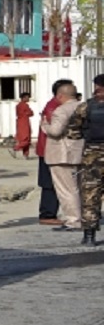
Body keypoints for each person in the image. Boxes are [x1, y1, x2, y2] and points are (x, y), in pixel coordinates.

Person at [67, 73, 104, 247]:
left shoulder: (85, 107)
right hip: (92, 155)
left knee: (90, 195)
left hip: (92, 156)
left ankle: (89, 236)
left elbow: (73, 132)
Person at [40, 81, 83, 233]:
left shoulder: (62, 110)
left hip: (61, 154)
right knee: (78, 188)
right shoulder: (83, 107)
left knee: (66, 190)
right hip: (79, 151)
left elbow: (56, 131)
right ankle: (83, 217)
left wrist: (45, 125)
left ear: (60, 95)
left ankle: (73, 220)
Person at [36, 80, 70, 225]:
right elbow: (55, 130)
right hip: (49, 150)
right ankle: (47, 214)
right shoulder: (54, 108)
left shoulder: (55, 106)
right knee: (50, 183)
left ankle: (50, 212)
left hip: (48, 149)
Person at [14, 92, 34, 158]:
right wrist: (27, 113)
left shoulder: (18, 106)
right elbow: (31, 113)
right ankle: (16, 148)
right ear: (23, 98)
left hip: (19, 122)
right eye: (27, 97)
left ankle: (26, 154)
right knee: (26, 139)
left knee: (23, 139)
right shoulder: (25, 105)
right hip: (24, 122)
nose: (29, 99)